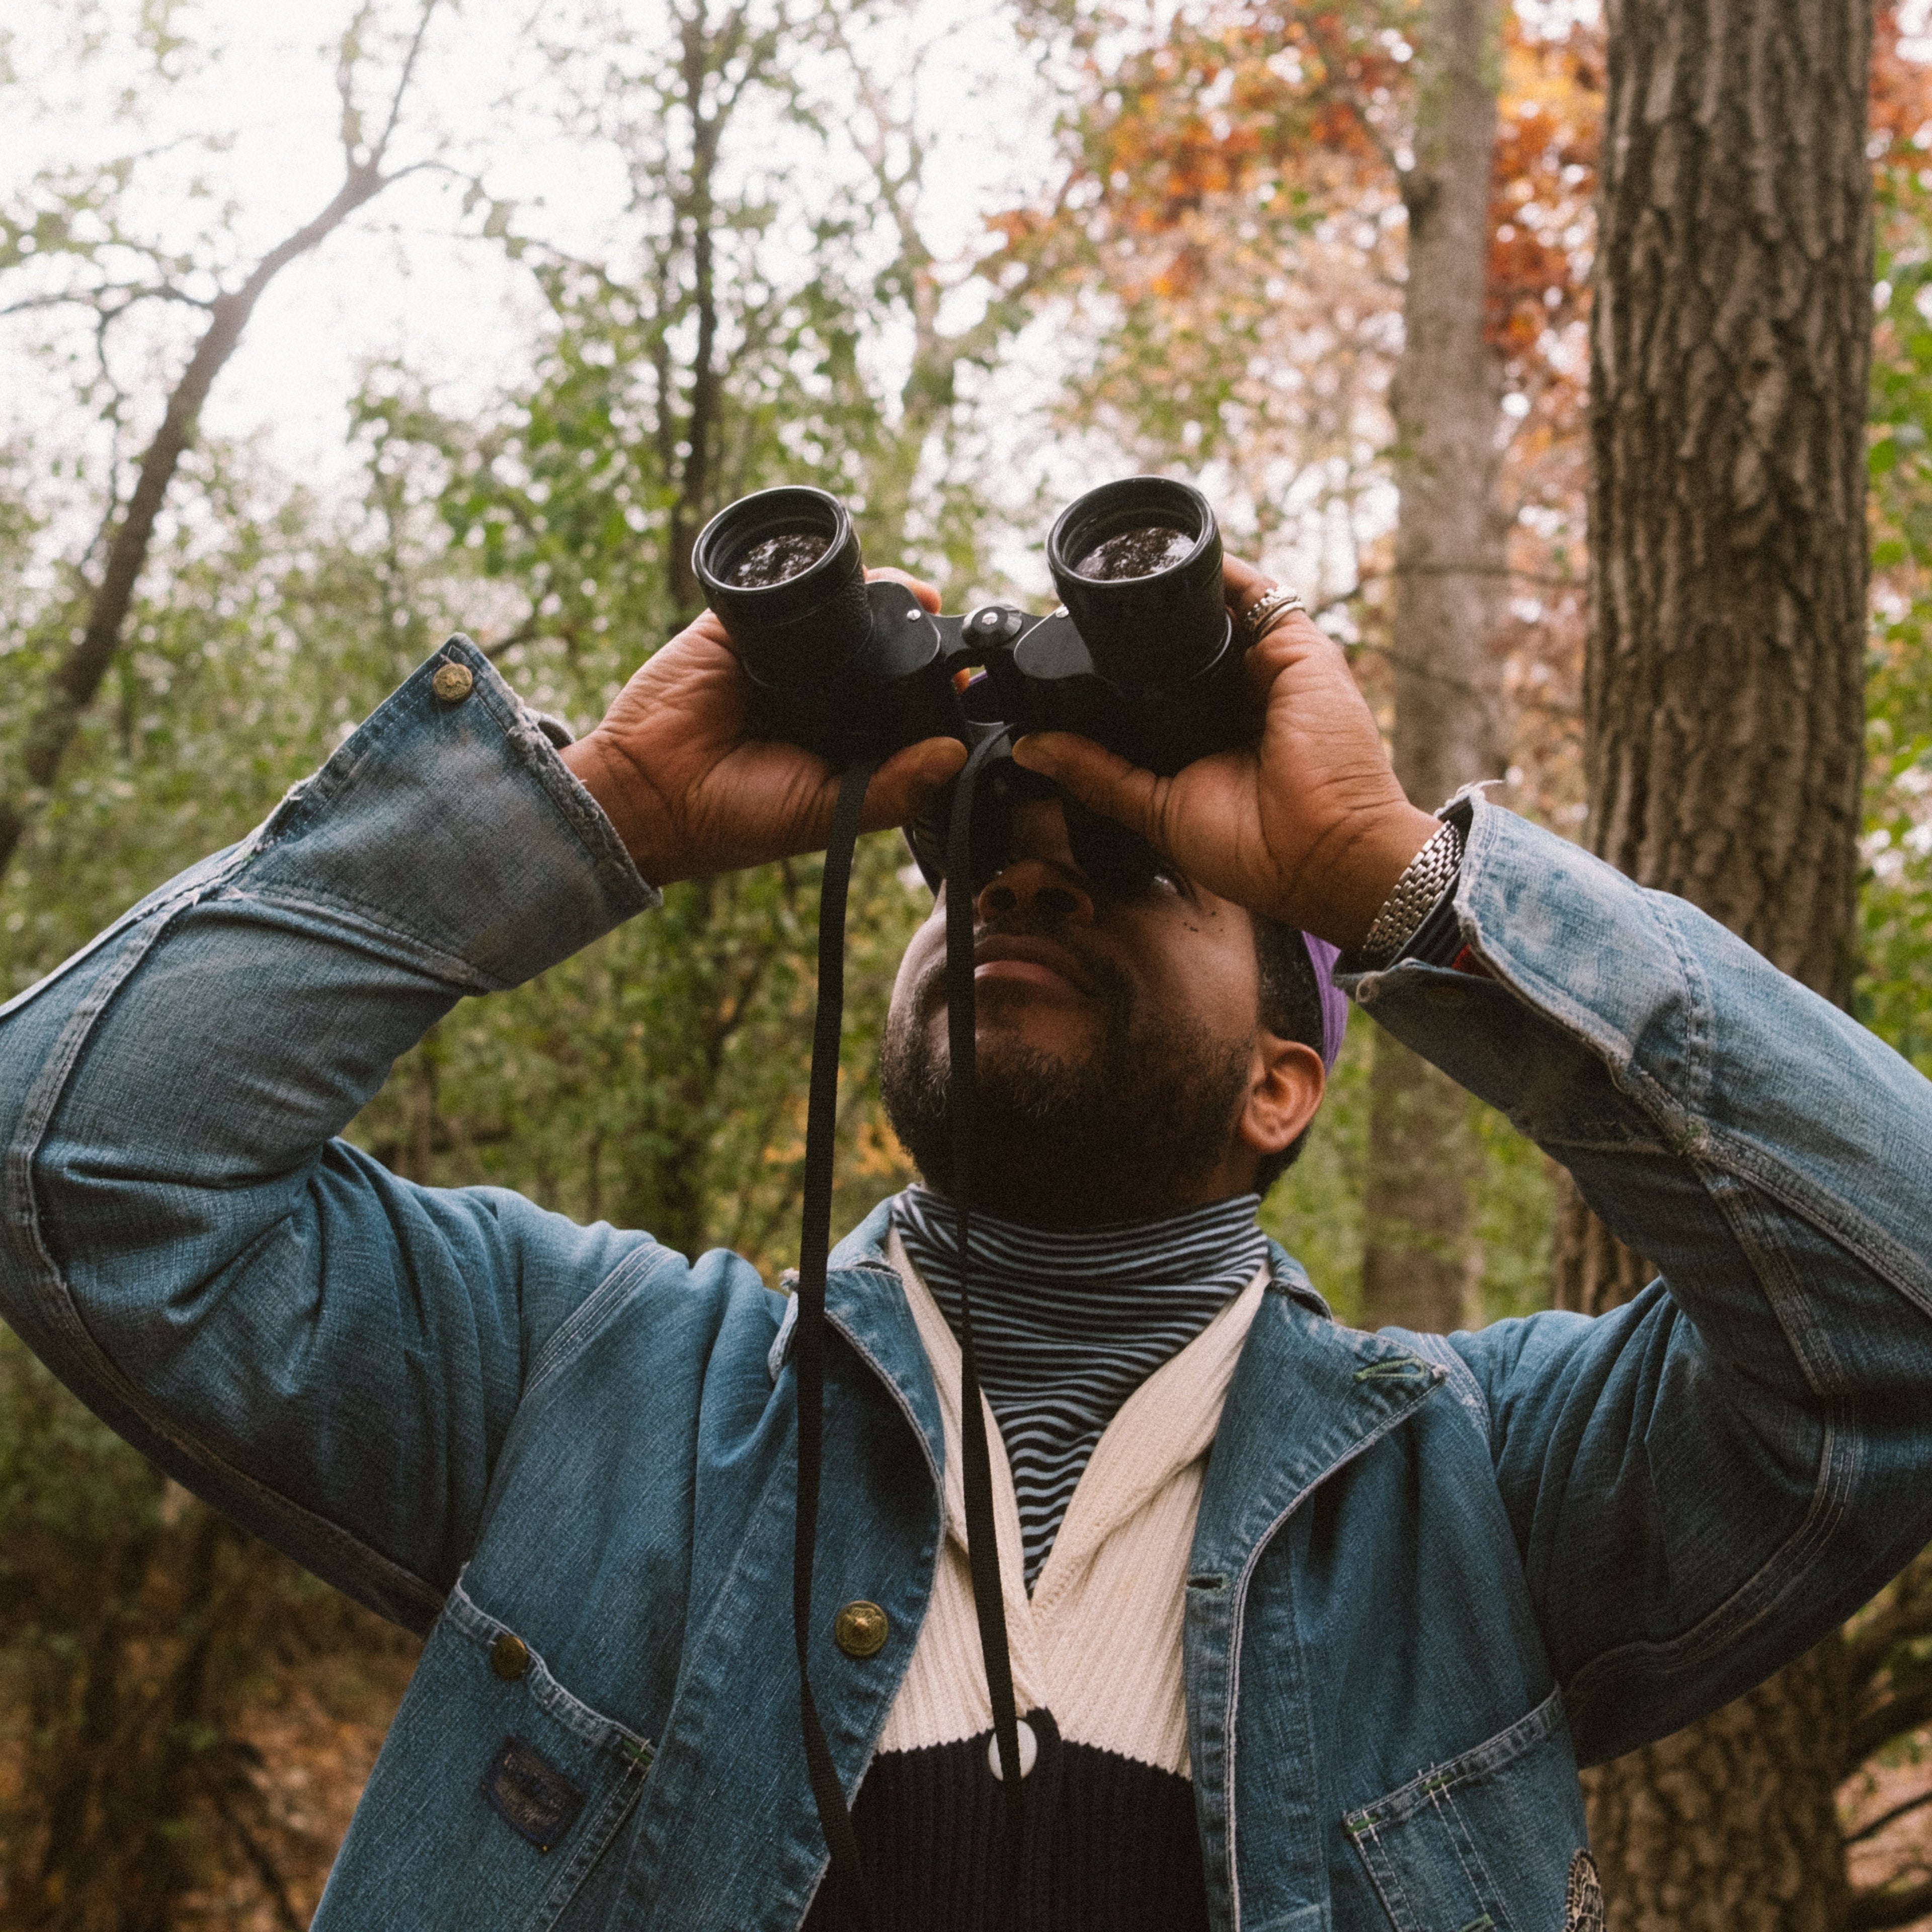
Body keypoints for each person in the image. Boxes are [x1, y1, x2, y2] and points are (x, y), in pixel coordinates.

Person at [3, 553, 1930, 1932]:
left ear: (1288, 1081)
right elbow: (81, 1158)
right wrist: (600, 817)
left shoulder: (1481, 1487)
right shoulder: (588, 1383)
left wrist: (1404, 886)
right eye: (974, 856)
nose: (1022, 872)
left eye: (1136, 866)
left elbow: (1901, 1300)